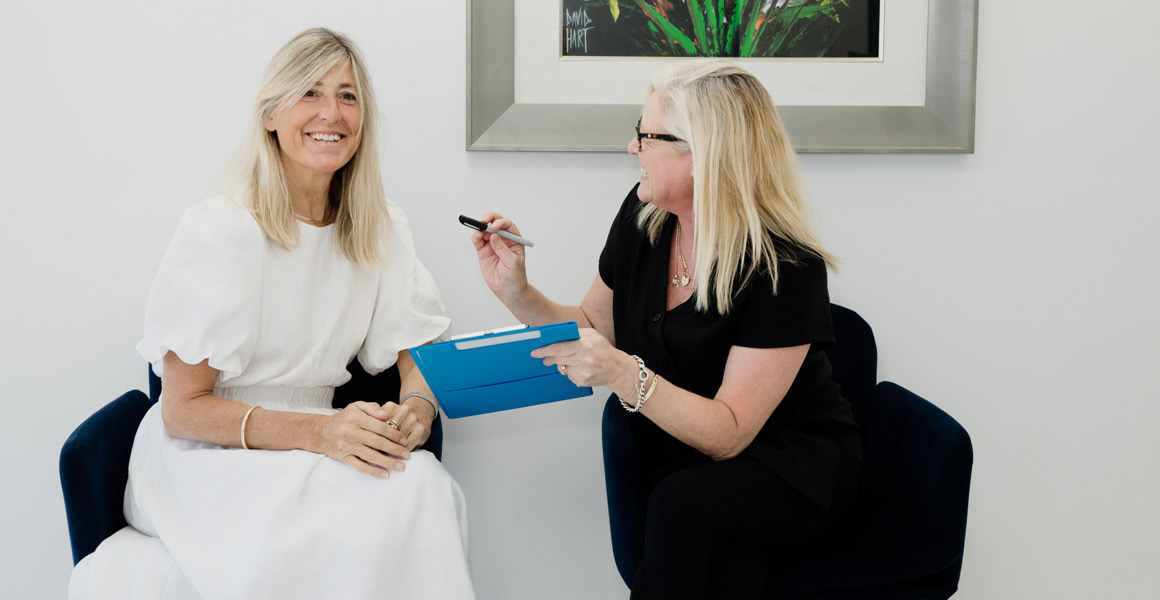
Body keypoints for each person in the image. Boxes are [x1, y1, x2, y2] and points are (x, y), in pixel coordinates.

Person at [70, 28, 475, 600]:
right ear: (270, 115)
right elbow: (182, 411)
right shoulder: (222, 227)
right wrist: (321, 432)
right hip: (208, 456)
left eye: (348, 95)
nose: (330, 112)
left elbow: (420, 350)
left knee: (426, 489)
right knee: (315, 536)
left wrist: (417, 408)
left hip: (318, 443)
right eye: (309, 92)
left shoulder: (379, 225)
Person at [471, 59, 863, 599]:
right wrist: (516, 290)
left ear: (702, 152)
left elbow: (729, 435)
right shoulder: (643, 219)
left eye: (644, 135)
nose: (631, 149)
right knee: (725, 568)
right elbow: (589, 327)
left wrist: (625, 375)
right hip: (688, 453)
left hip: (789, 463)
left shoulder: (785, 269)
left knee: (686, 507)